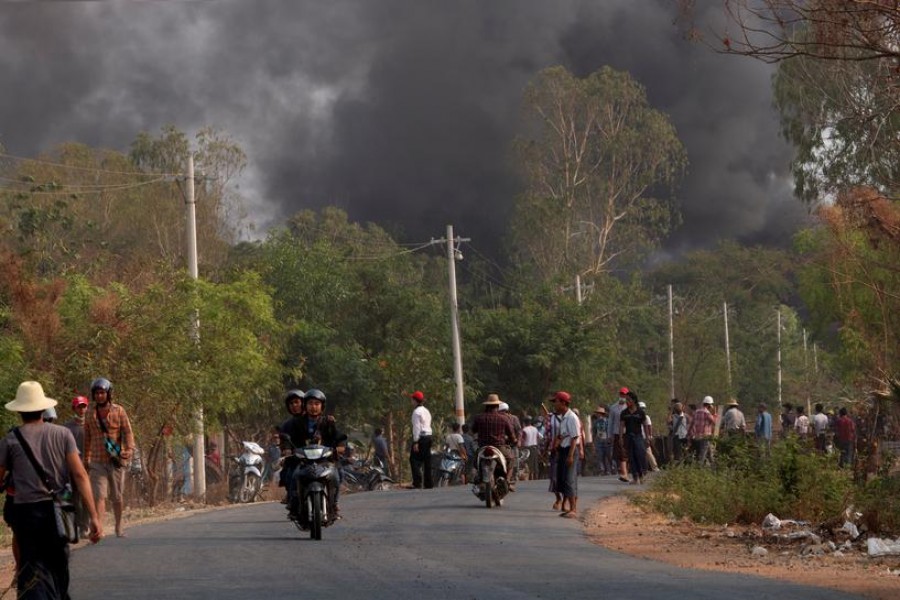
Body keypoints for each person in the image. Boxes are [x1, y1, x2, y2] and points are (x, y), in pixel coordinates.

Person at [0, 381, 103, 598]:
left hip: (26, 513)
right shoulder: (63, 434)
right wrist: (94, 516)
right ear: (42, 408)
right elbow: (80, 475)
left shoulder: (10, 440)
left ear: (19, 410)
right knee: (58, 564)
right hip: (61, 509)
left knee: (32, 568)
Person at [281, 389, 346, 522]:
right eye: (310, 404)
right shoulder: (296, 423)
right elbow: (288, 439)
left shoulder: (328, 422)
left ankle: (334, 503)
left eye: (317, 404)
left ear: (322, 406)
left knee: (338, 474)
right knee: (293, 476)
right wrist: (288, 450)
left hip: (324, 459)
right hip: (303, 460)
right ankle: (294, 504)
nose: (314, 407)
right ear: (305, 405)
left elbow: (339, 437)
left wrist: (340, 447)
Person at [82, 376, 134, 538]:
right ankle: (99, 528)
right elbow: (87, 436)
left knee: (117, 496)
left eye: (102, 393)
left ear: (108, 394)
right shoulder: (90, 412)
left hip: (116, 460)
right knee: (99, 495)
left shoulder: (119, 410)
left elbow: (128, 432)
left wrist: (128, 449)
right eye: (96, 393)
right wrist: (86, 458)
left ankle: (119, 525)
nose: (99, 396)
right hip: (97, 461)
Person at [470, 394, 517, 490]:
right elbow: (511, 434)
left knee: (475, 461)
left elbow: (473, 430)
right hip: (499, 447)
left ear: (486, 406)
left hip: (483, 447)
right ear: (497, 406)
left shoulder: (479, 418)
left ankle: (478, 478)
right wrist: (514, 441)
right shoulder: (504, 418)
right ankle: (507, 481)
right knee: (511, 459)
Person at [63, 395, 91, 537]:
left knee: (87, 496)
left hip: (89, 467)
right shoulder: (66, 428)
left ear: (87, 407)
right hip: (72, 468)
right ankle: (76, 526)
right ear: (74, 408)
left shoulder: (92, 425)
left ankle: (85, 526)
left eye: (83, 406)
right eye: (78, 407)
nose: (81, 409)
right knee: (74, 498)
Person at [550, 391, 580, 518]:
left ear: (563, 403)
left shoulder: (572, 417)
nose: (555, 404)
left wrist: (570, 455)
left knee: (569, 479)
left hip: (570, 450)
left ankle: (573, 509)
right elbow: (563, 435)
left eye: (556, 402)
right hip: (563, 449)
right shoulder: (563, 417)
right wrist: (556, 444)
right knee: (562, 479)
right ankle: (567, 506)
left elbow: (574, 437)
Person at [620, 392, 649, 484]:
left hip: (638, 437)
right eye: (626, 400)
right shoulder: (624, 413)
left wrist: (648, 437)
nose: (627, 402)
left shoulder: (640, 412)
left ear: (634, 400)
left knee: (640, 455)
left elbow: (645, 425)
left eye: (629, 400)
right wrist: (621, 438)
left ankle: (642, 475)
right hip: (628, 436)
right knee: (631, 457)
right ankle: (635, 477)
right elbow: (621, 426)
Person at [408, 390, 433, 489]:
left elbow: (417, 427)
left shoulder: (416, 412)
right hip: (429, 436)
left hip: (421, 438)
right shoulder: (426, 410)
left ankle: (417, 482)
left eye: (412, 399)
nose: (411, 401)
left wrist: (415, 442)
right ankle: (429, 483)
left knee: (414, 459)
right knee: (427, 461)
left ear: (415, 400)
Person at [608, 388, 629, 482]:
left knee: (628, 452)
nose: (622, 396)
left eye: (624, 395)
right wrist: (610, 435)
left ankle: (627, 472)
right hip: (617, 433)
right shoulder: (613, 407)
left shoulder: (630, 407)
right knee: (621, 453)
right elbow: (610, 422)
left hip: (628, 432)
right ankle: (624, 473)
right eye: (621, 394)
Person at [688, 396, 717, 466]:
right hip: (705, 438)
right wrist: (715, 413)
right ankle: (698, 471)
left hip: (697, 437)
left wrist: (689, 436)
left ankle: (714, 468)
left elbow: (691, 425)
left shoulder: (696, 412)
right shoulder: (707, 413)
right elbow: (715, 422)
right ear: (709, 405)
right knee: (702, 457)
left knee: (710, 455)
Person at [498, 402, 521, 486]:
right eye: (501, 411)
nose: (503, 413)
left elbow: (519, 431)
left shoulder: (514, 418)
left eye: (504, 411)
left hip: (512, 444)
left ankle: (512, 480)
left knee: (514, 462)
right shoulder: (498, 418)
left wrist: (518, 441)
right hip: (502, 445)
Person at [637, 400, 658, 471]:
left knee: (648, 452)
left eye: (643, 408)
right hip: (638, 437)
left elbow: (649, 426)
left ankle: (654, 467)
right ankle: (642, 468)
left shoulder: (646, 417)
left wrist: (650, 436)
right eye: (641, 408)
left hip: (645, 437)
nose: (642, 409)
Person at [591, 407, 611, 475]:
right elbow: (594, 432)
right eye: (597, 413)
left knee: (608, 456)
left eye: (599, 414)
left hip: (607, 440)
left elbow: (610, 431)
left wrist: (610, 439)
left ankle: (609, 469)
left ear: (603, 414)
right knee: (600, 456)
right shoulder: (595, 422)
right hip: (599, 440)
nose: (598, 415)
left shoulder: (608, 421)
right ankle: (601, 469)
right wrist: (593, 442)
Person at [520, 416, 540, 480]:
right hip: (535, 447)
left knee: (528, 464)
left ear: (524, 422)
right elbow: (537, 438)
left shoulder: (524, 429)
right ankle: (535, 478)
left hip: (527, 448)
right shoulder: (535, 429)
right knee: (535, 463)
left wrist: (521, 448)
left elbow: (523, 440)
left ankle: (530, 478)